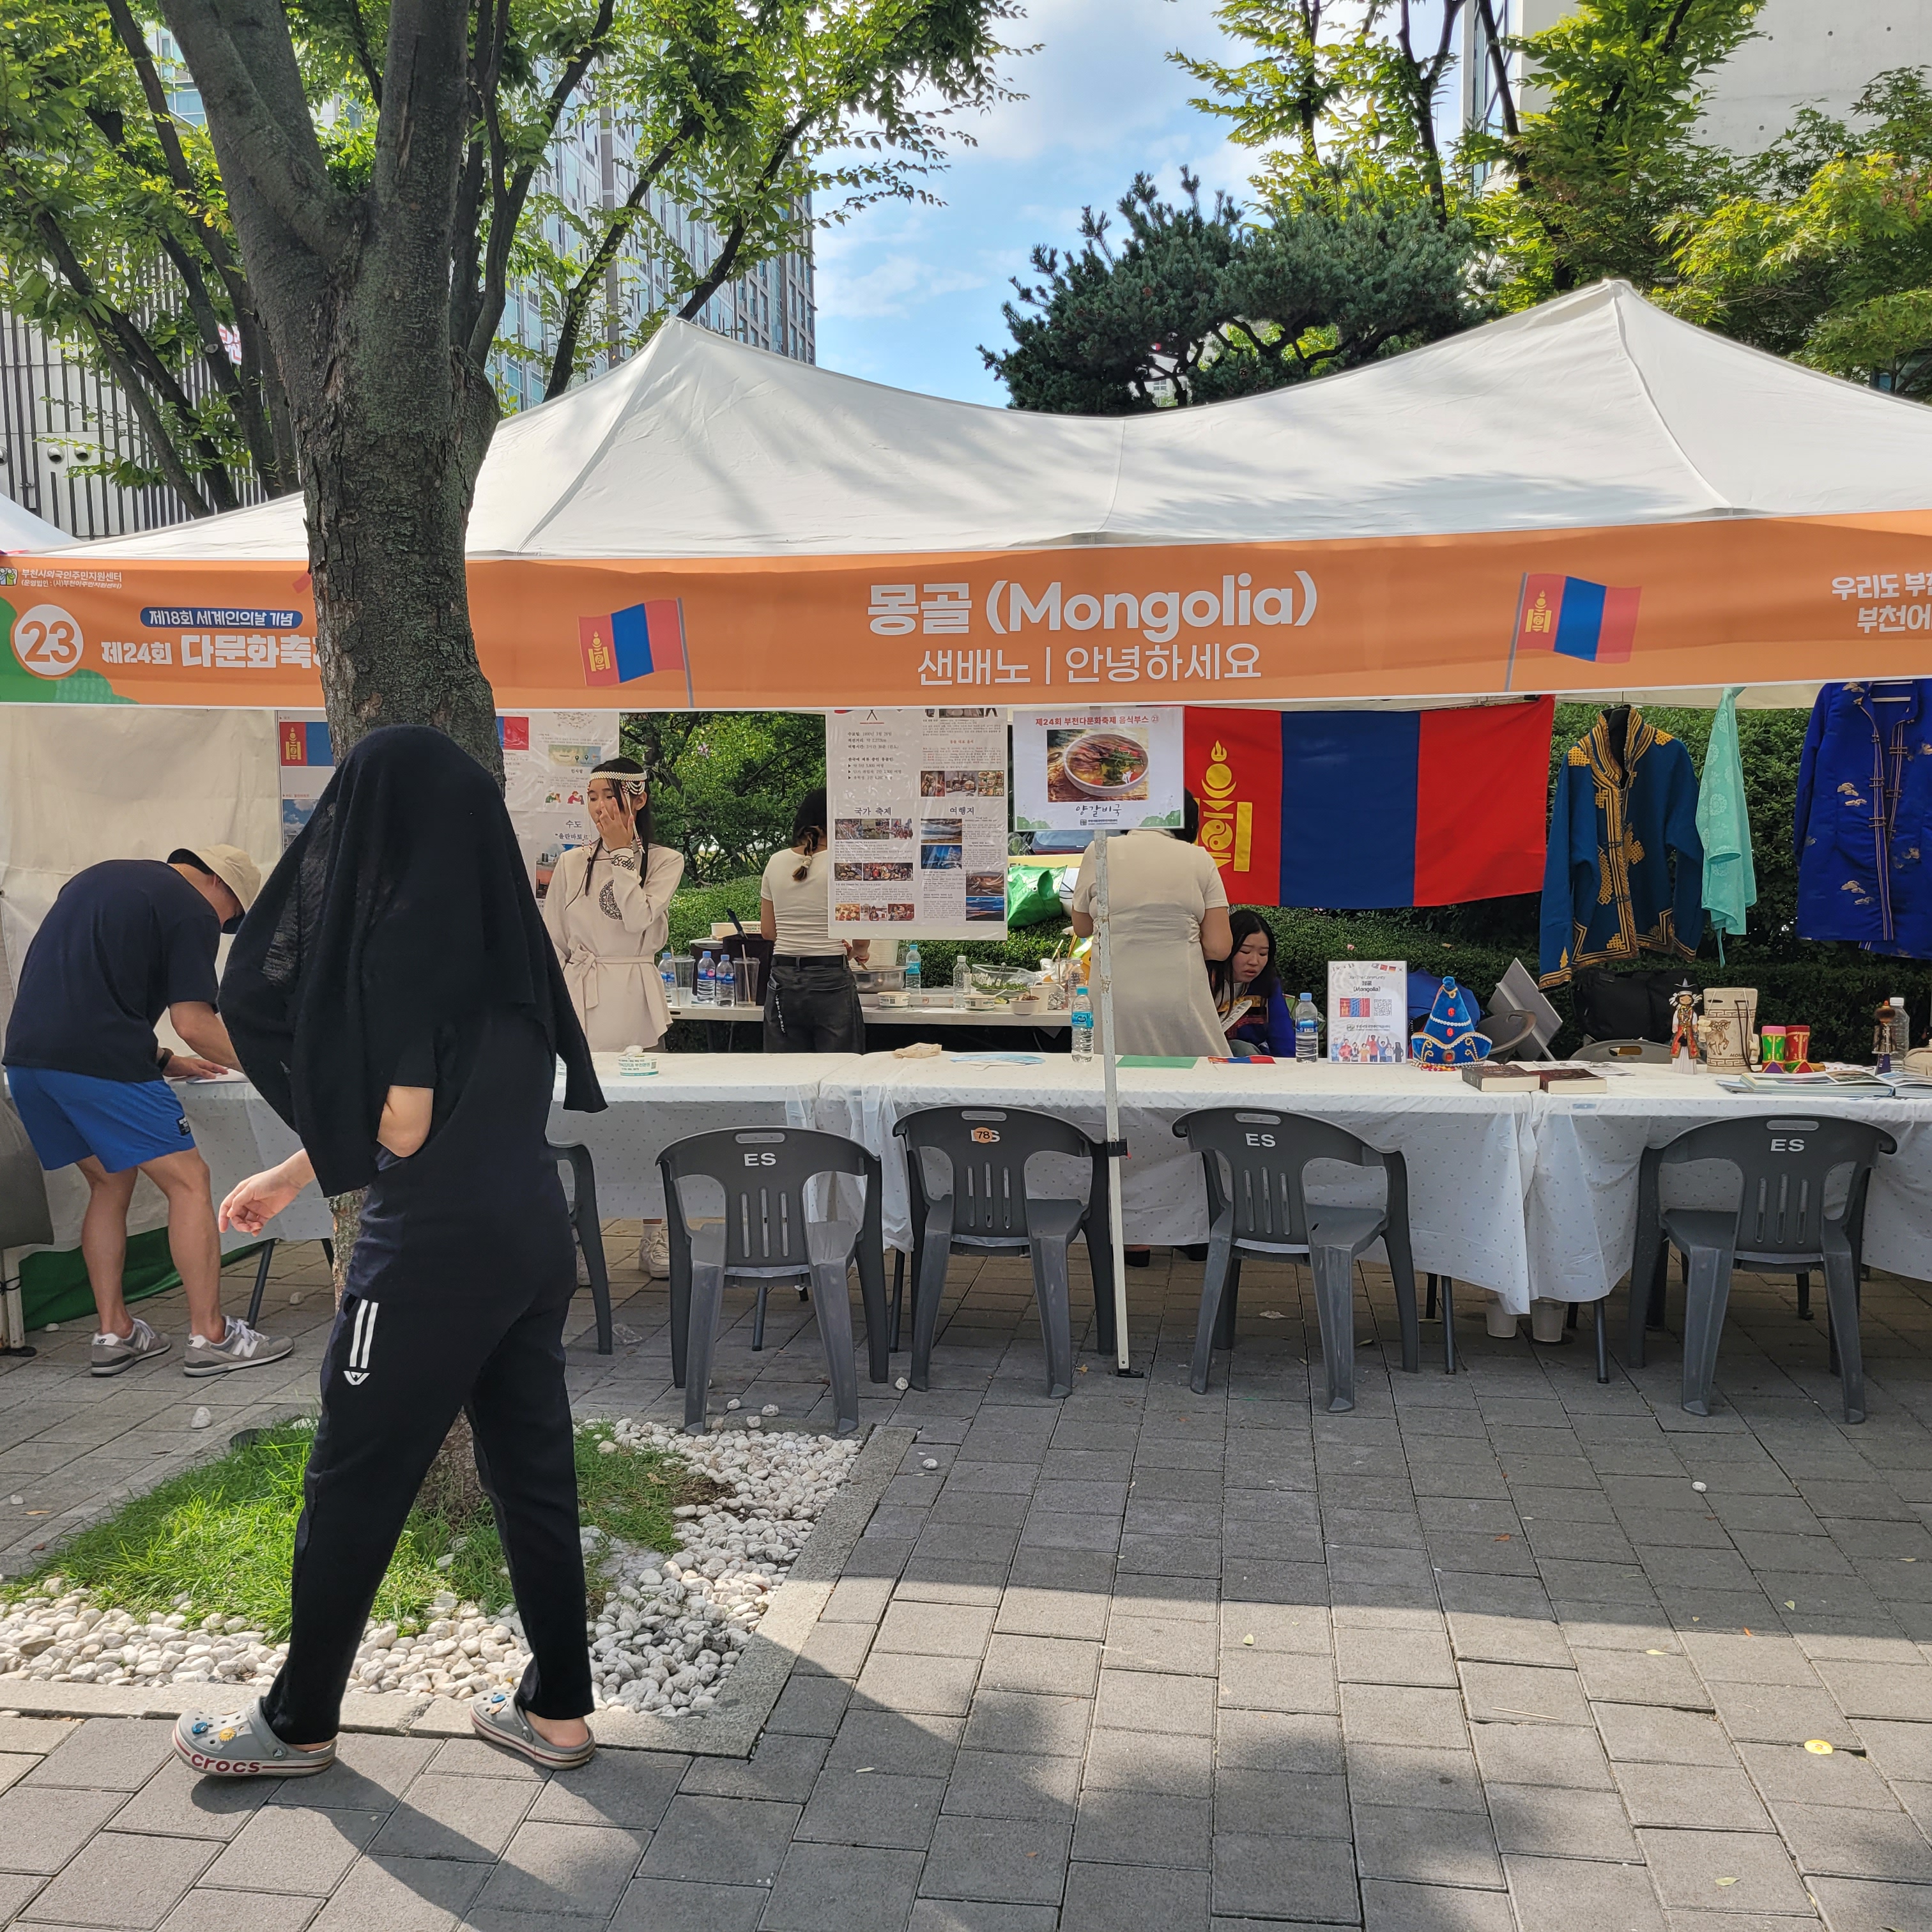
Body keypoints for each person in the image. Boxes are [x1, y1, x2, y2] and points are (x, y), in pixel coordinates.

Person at [174, 726, 605, 1781]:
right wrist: (292, 1175)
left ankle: (298, 1723)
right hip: (528, 1234)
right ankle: (558, 1711)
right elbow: (460, 1111)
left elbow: (403, 1129)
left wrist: (323, 1087)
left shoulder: (403, 951)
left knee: (353, 1481)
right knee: (534, 1475)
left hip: (428, 1257)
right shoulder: (511, 949)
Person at [1, 844, 291, 1379]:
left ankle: (115, 1333)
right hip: (102, 1063)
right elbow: (195, 1023)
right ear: (217, 883)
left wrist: (161, 1059)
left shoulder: (98, 878)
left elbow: (81, 991)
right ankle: (211, 1337)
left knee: (110, 1183)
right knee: (189, 1181)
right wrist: (275, 1068)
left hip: (28, 1062)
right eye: (231, 916)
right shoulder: (192, 908)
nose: (223, 927)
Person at [542, 755, 683, 1276]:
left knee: (646, 1118)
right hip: (582, 997)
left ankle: (654, 1234)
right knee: (578, 1119)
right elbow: (555, 941)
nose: (599, 807)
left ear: (637, 799)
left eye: (610, 796)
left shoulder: (664, 860)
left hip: (637, 999)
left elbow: (639, 916)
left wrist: (624, 856)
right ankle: (577, 1237)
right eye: (593, 796)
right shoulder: (572, 864)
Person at [1068, 794, 1232, 1059]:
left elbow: (1082, 927)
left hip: (1115, 997)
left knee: (1114, 1074)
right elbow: (1219, 947)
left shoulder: (1099, 850)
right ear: (1189, 822)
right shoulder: (1199, 858)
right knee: (1191, 1075)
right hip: (1181, 996)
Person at [760, 788, 868, 1052]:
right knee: (840, 1069)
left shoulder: (775, 862)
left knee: (787, 1070)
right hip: (830, 980)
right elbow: (861, 936)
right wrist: (859, 951)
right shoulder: (846, 864)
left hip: (783, 980)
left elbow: (768, 932)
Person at [1208, 910, 1292, 1057]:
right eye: (1245, 951)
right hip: (1202, 1059)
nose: (1254, 961)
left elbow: (1283, 1040)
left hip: (1250, 1062)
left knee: (1243, 1049)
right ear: (1228, 949)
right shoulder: (1203, 982)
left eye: (1263, 954)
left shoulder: (1268, 986)